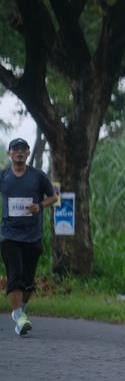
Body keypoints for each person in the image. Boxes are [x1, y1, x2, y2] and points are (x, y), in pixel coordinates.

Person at [1, 138, 57, 336]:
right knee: (15, 277)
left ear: (28, 153)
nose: (19, 152)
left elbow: (54, 196)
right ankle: (19, 316)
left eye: (22, 149)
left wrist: (39, 206)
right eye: (15, 149)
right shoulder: (4, 176)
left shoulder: (38, 176)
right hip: (9, 235)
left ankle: (20, 312)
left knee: (28, 282)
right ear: (9, 153)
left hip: (32, 236)